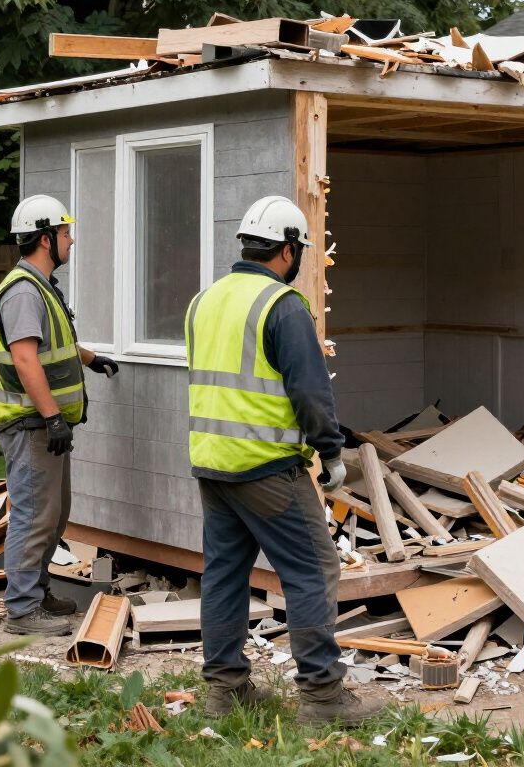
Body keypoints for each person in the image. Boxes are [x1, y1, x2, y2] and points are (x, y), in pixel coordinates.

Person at [186, 195, 383, 724]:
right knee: (314, 569)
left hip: (212, 464)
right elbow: (311, 393)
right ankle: (322, 698)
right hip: (267, 466)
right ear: (288, 249)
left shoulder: (205, 300)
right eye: (300, 251)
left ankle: (224, 694)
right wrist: (330, 454)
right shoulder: (282, 305)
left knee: (225, 577)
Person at [0, 195, 118, 636]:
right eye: (65, 233)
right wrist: (53, 418)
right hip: (30, 424)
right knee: (33, 515)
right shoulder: (24, 291)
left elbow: (49, 345)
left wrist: (90, 358)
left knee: (55, 513)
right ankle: (22, 611)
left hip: (42, 424)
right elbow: (25, 360)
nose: (72, 240)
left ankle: (37, 592)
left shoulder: (39, 286)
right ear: (46, 239)